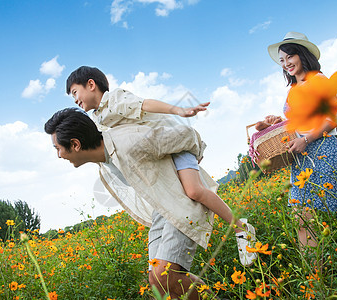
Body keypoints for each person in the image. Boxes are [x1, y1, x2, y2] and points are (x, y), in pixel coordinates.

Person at [65, 66, 257, 266]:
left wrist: (178, 110)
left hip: (173, 142)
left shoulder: (114, 100)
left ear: (91, 84)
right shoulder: (96, 119)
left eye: (75, 93)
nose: (75, 100)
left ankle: (241, 229)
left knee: (194, 191)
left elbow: (145, 104)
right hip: (157, 154)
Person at [45, 108, 220, 299]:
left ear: (75, 144)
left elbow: (187, 134)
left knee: (164, 275)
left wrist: (192, 166)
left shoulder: (128, 142)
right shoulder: (103, 160)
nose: (59, 155)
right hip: (161, 210)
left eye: (58, 148)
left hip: (180, 201)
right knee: (156, 280)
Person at [264, 32, 337, 250]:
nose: (286, 63)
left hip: (324, 152)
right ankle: (314, 280)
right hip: (301, 160)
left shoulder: (318, 79)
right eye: (282, 60)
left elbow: (333, 117)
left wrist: (306, 139)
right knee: (301, 218)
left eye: (289, 57)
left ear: (301, 54)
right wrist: (278, 121)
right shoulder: (292, 89)